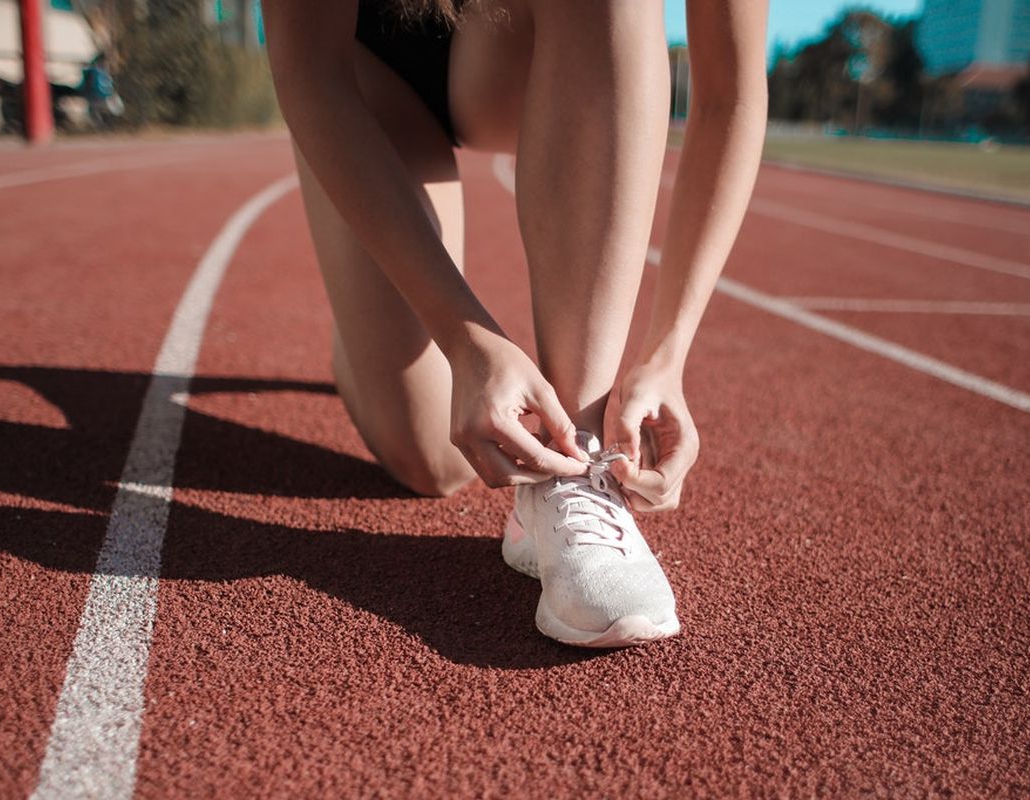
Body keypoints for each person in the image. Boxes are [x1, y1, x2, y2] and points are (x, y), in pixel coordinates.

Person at [264, 0, 768, 647]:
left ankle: (575, 460)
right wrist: (463, 336)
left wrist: (669, 354)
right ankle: (359, 340)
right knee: (435, 463)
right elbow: (309, 69)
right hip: (371, 63)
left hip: (517, 50)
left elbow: (730, 95)